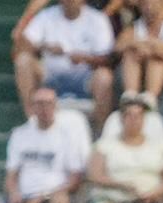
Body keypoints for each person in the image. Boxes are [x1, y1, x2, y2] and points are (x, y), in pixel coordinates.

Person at [14, 0, 115, 131]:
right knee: (23, 61)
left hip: (85, 77)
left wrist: (83, 58)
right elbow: (23, 44)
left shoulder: (97, 19)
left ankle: (100, 129)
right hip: (51, 75)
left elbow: (107, 58)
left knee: (104, 76)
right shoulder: (47, 16)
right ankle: (32, 120)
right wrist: (44, 46)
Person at [87, 96, 163, 203]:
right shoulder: (105, 145)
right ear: (122, 119)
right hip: (114, 199)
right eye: (129, 116)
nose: (134, 120)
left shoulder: (160, 146)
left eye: (138, 116)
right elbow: (94, 175)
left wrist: (153, 193)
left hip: (149, 199)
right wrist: (122, 185)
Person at [117, 0, 163, 106]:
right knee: (130, 54)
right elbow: (119, 46)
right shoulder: (135, 26)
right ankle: (130, 94)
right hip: (141, 68)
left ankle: (150, 98)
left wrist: (152, 47)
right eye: (145, 4)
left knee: (156, 59)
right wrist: (136, 44)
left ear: (161, 5)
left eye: (153, 3)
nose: (149, 8)